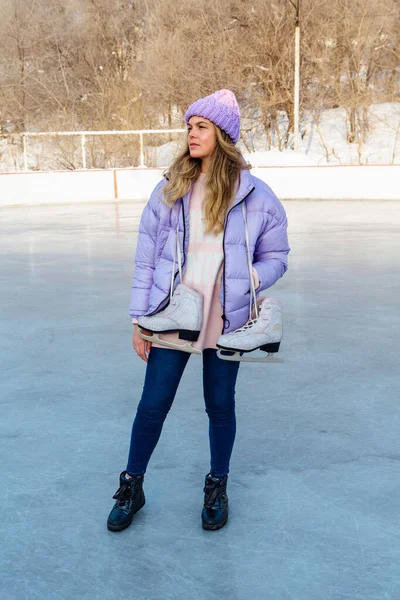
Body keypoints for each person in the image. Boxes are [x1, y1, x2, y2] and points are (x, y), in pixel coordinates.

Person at [107, 89, 290, 532]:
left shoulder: (256, 195)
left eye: (201, 126)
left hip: (226, 317)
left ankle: (217, 485)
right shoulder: (171, 189)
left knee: (220, 405)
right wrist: (138, 319)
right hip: (174, 313)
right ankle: (132, 484)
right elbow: (146, 259)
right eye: (189, 126)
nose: (191, 133)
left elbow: (277, 256)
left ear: (223, 134)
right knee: (153, 405)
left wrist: (250, 279)